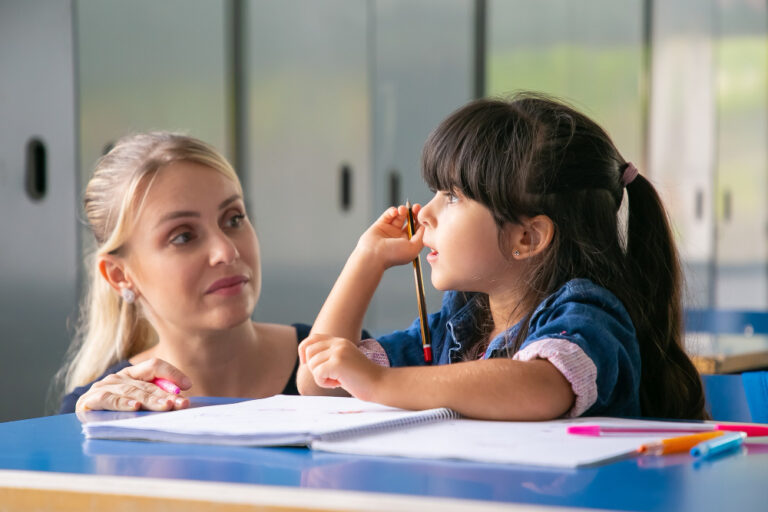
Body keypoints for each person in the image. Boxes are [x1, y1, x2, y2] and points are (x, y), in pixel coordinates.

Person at [298, 93, 707, 421]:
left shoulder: (587, 312)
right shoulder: (458, 326)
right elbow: (319, 383)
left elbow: (540, 386)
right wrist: (366, 260)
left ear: (527, 238)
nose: (424, 213)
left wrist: (380, 383)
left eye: (453, 197)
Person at [58, 132, 311, 413]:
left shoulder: (347, 361)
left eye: (234, 219)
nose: (226, 252)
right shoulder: (100, 409)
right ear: (119, 275)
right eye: (183, 237)